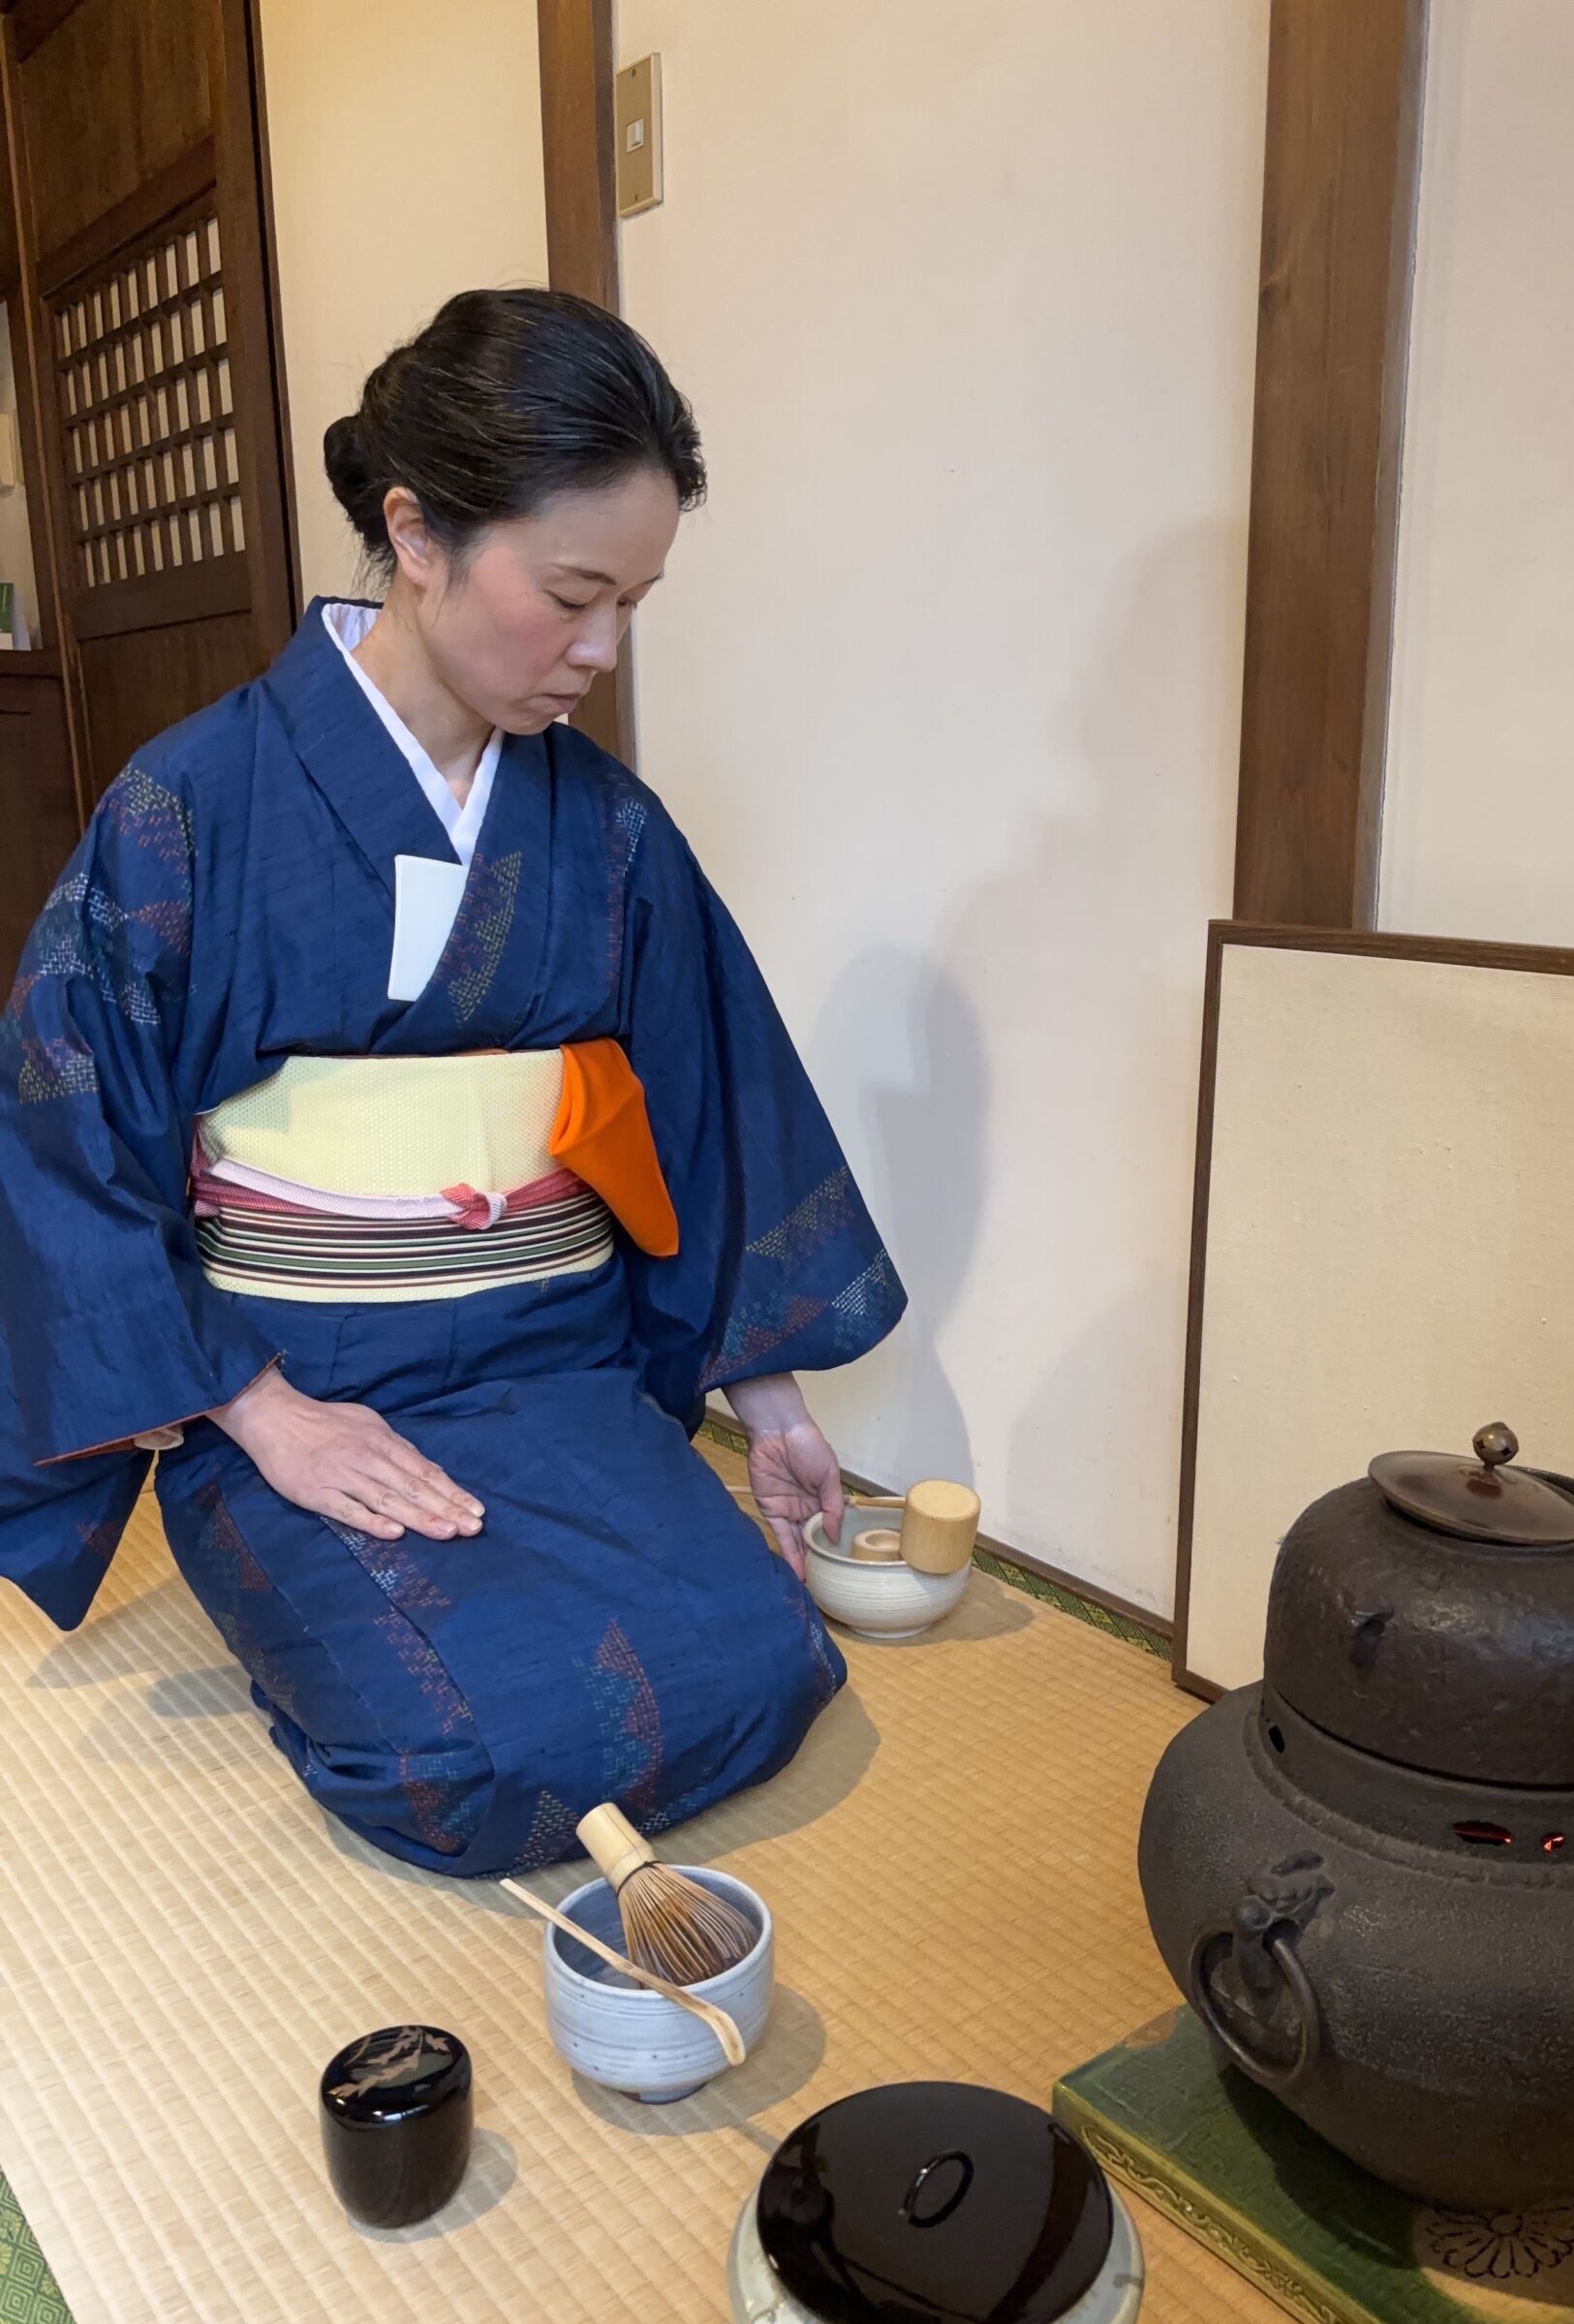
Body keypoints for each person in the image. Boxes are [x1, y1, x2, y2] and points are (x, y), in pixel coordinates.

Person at [0, 289, 905, 1876]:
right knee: (460, 1759)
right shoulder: (190, 808)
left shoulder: (608, 831)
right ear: (416, 534)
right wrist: (262, 1416)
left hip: (555, 1366)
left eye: (633, 603)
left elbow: (712, 1099)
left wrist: (767, 1392)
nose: (602, 651)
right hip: (300, 1387)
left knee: (769, 1664)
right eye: (570, 593)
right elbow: (65, 1138)